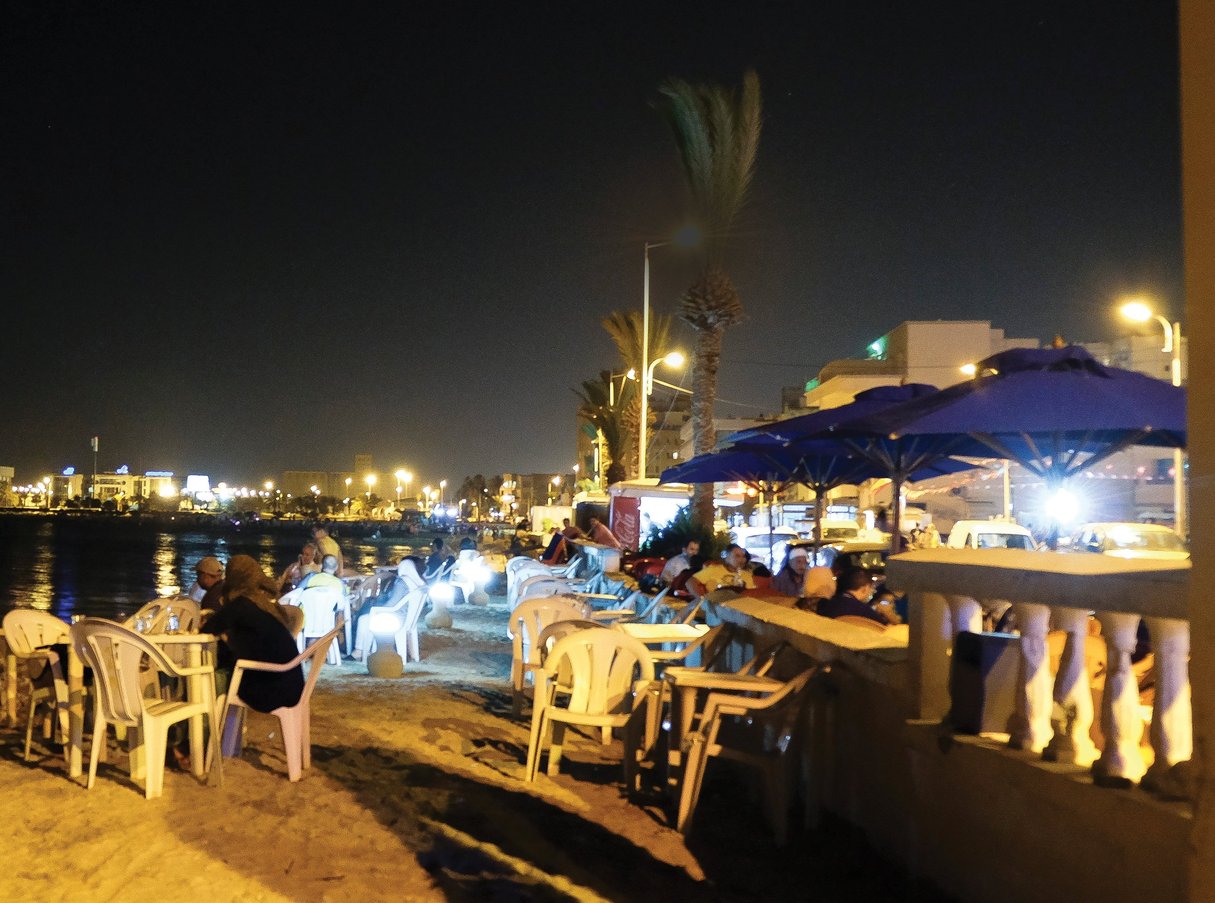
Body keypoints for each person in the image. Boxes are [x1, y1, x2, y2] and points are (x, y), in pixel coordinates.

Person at [200, 554, 304, 713]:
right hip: (291, 684)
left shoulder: (241, 604)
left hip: (272, 690)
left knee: (217, 677)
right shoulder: (263, 600)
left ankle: (209, 728)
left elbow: (207, 629)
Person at [817, 566, 886, 625]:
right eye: (871, 587)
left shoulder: (826, 603)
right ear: (864, 588)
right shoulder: (863, 610)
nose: (873, 591)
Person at [688, 543, 756, 596]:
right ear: (727, 557)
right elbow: (690, 582)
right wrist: (702, 600)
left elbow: (751, 594)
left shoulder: (746, 575)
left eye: (743, 556)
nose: (742, 560)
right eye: (737, 556)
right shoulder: (714, 569)